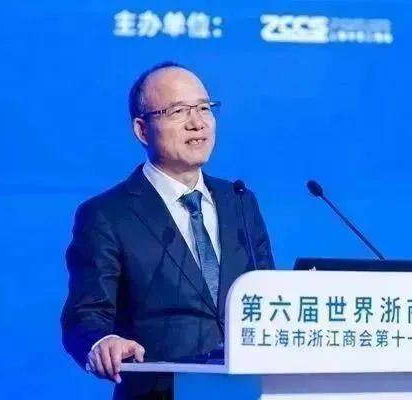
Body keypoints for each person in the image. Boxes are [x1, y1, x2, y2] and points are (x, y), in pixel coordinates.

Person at [61, 61, 275, 399]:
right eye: (178, 111)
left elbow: (266, 297)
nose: (197, 123)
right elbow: (85, 315)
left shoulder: (239, 201)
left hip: (245, 389)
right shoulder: (107, 214)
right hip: (159, 392)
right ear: (142, 130)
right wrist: (103, 342)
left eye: (204, 108)